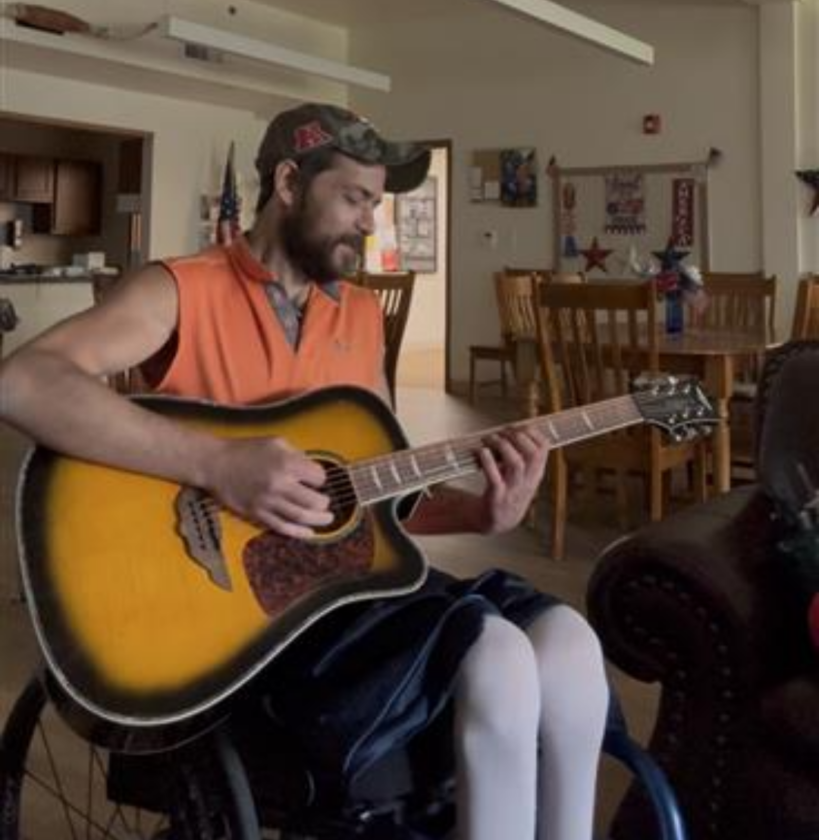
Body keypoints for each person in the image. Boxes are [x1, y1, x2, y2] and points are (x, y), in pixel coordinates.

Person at [0, 103, 608, 840]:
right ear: (288, 182)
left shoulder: (355, 316)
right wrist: (217, 463)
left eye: (375, 205)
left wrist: (483, 514)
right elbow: (24, 382)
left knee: (567, 644)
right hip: (231, 607)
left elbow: (379, 498)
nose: (369, 224)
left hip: (340, 583)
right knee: (499, 656)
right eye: (354, 199)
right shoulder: (182, 288)